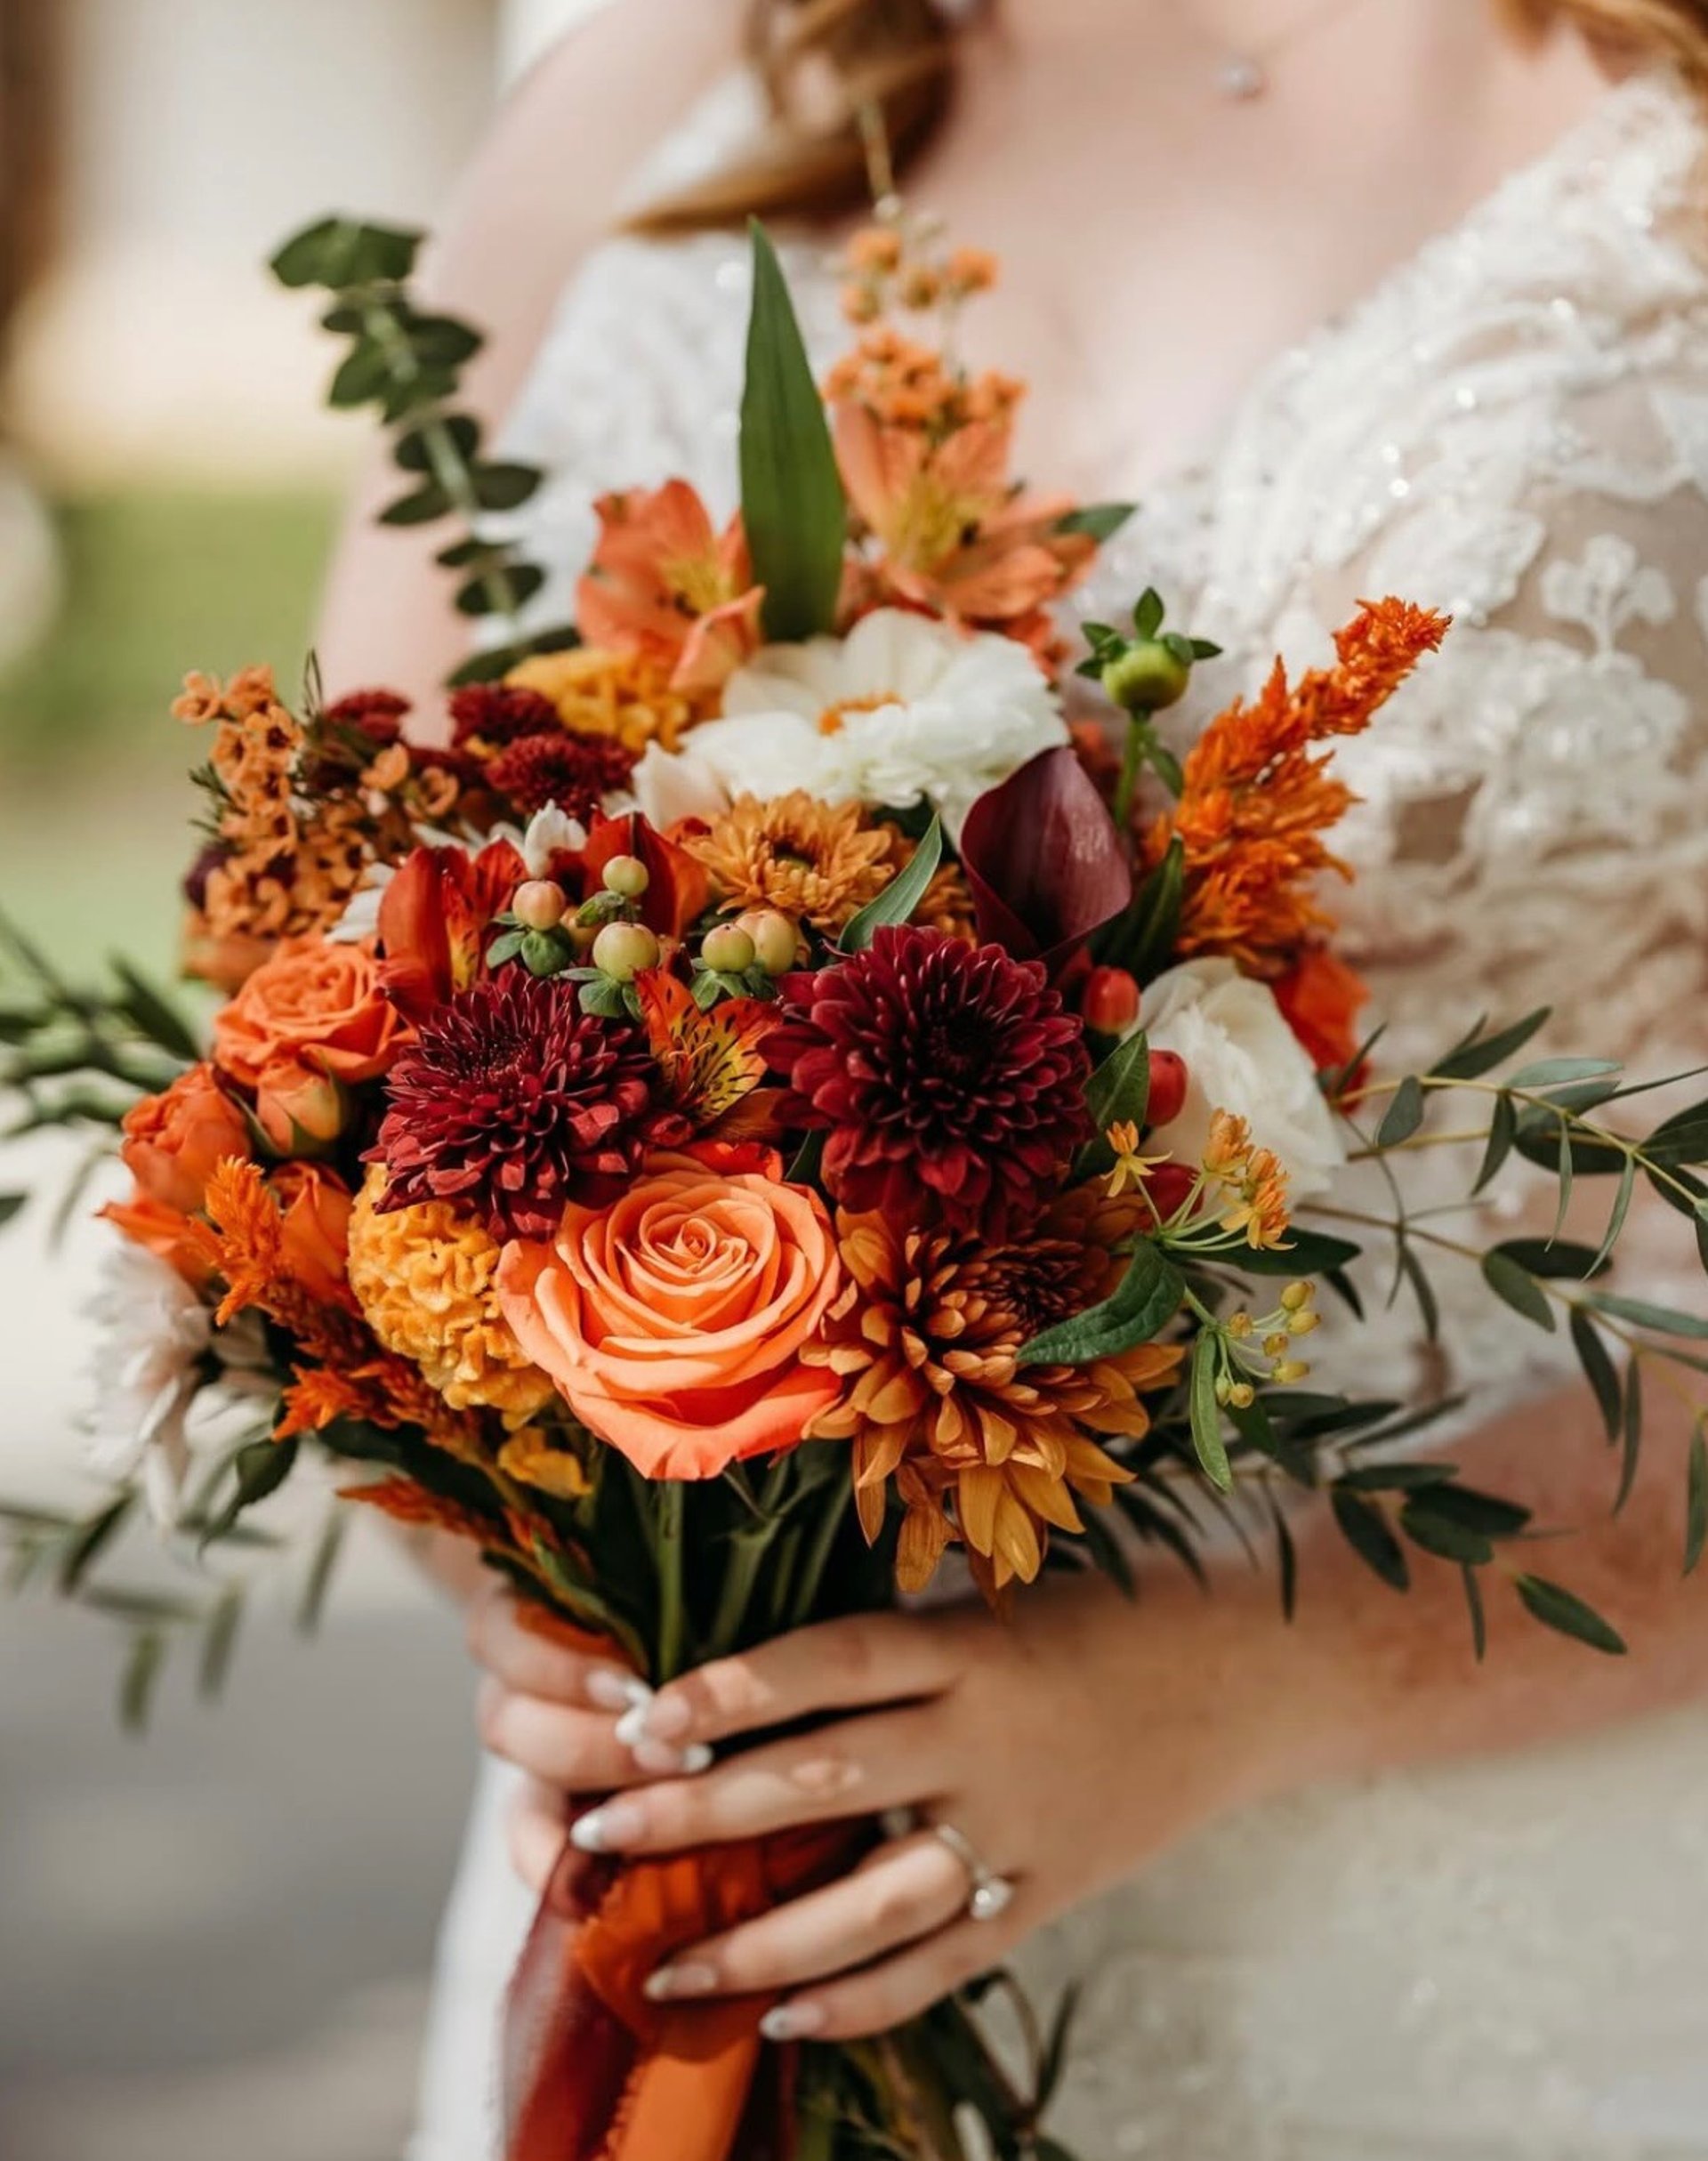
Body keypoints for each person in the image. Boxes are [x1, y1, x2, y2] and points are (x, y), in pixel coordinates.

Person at [318, 4, 1708, 2152]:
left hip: (1458, 1936)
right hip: (690, 1904)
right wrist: (556, 1583)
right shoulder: (650, 77)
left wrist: (1248, 1675)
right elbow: (316, 1003)